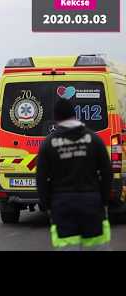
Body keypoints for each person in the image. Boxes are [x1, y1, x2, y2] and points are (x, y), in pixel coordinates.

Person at [36, 98, 113, 251]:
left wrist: (47, 205)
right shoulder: (94, 139)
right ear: (74, 114)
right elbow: (107, 172)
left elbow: (41, 179)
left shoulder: (48, 144)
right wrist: (103, 200)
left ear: (56, 118)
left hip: (62, 206)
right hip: (92, 203)